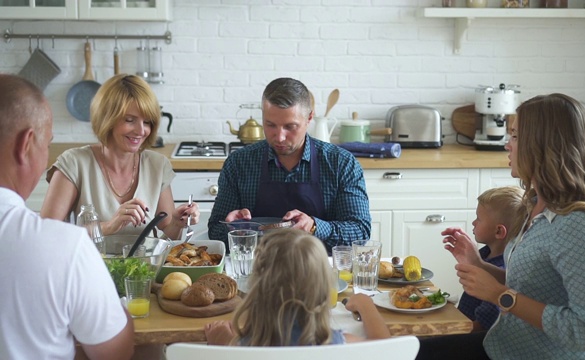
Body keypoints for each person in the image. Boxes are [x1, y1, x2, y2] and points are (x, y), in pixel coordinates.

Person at [440, 93, 585, 359]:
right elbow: (535, 287)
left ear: (543, 146)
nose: (508, 145)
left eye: (515, 136)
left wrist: (500, 296)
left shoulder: (576, 225)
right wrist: (480, 266)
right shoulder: (534, 204)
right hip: (501, 347)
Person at [0, 74, 134, 359]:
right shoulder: (64, 246)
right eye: (46, 144)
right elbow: (114, 352)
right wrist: (118, 305)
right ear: (26, 144)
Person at [208, 77, 370, 253]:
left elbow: (360, 232)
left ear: (309, 118)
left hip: (319, 272)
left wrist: (315, 226)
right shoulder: (239, 163)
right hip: (258, 272)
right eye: (270, 125)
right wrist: (232, 229)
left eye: (290, 126)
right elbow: (215, 232)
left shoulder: (341, 163)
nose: (279, 137)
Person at [40, 74, 199, 240]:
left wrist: (177, 222)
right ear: (106, 119)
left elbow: (167, 234)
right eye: (130, 120)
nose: (140, 131)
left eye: (147, 122)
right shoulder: (74, 163)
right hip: (88, 265)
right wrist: (109, 226)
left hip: (145, 266)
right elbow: (47, 232)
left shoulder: (157, 165)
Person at [204, 228, 390, 345]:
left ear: (257, 288)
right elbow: (383, 347)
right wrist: (366, 305)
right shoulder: (334, 343)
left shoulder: (242, 347)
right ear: (324, 287)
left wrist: (221, 343)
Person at [417, 186, 526, 360]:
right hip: (462, 327)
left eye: (478, 219)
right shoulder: (484, 255)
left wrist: (439, 331)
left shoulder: (503, 269)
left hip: (473, 341)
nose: (474, 223)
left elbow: (483, 325)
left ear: (499, 231)